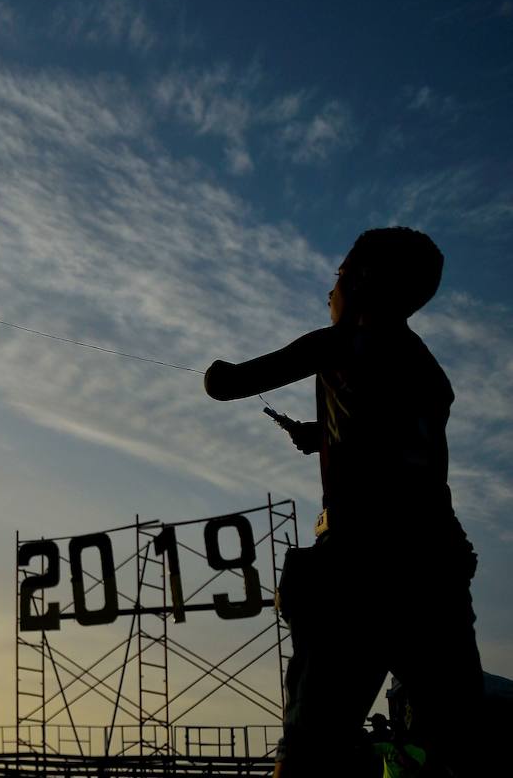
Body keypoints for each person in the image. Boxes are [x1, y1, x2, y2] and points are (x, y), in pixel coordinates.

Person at [204, 227, 483, 777]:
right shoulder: (431, 374)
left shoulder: (339, 343)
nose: (327, 294)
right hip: (437, 571)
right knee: (455, 743)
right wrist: (322, 435)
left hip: (356, 566)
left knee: (310, 747)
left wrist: (214, 374)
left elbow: (228, 383)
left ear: (360, 282)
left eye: (335, 278)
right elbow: (392, 442)